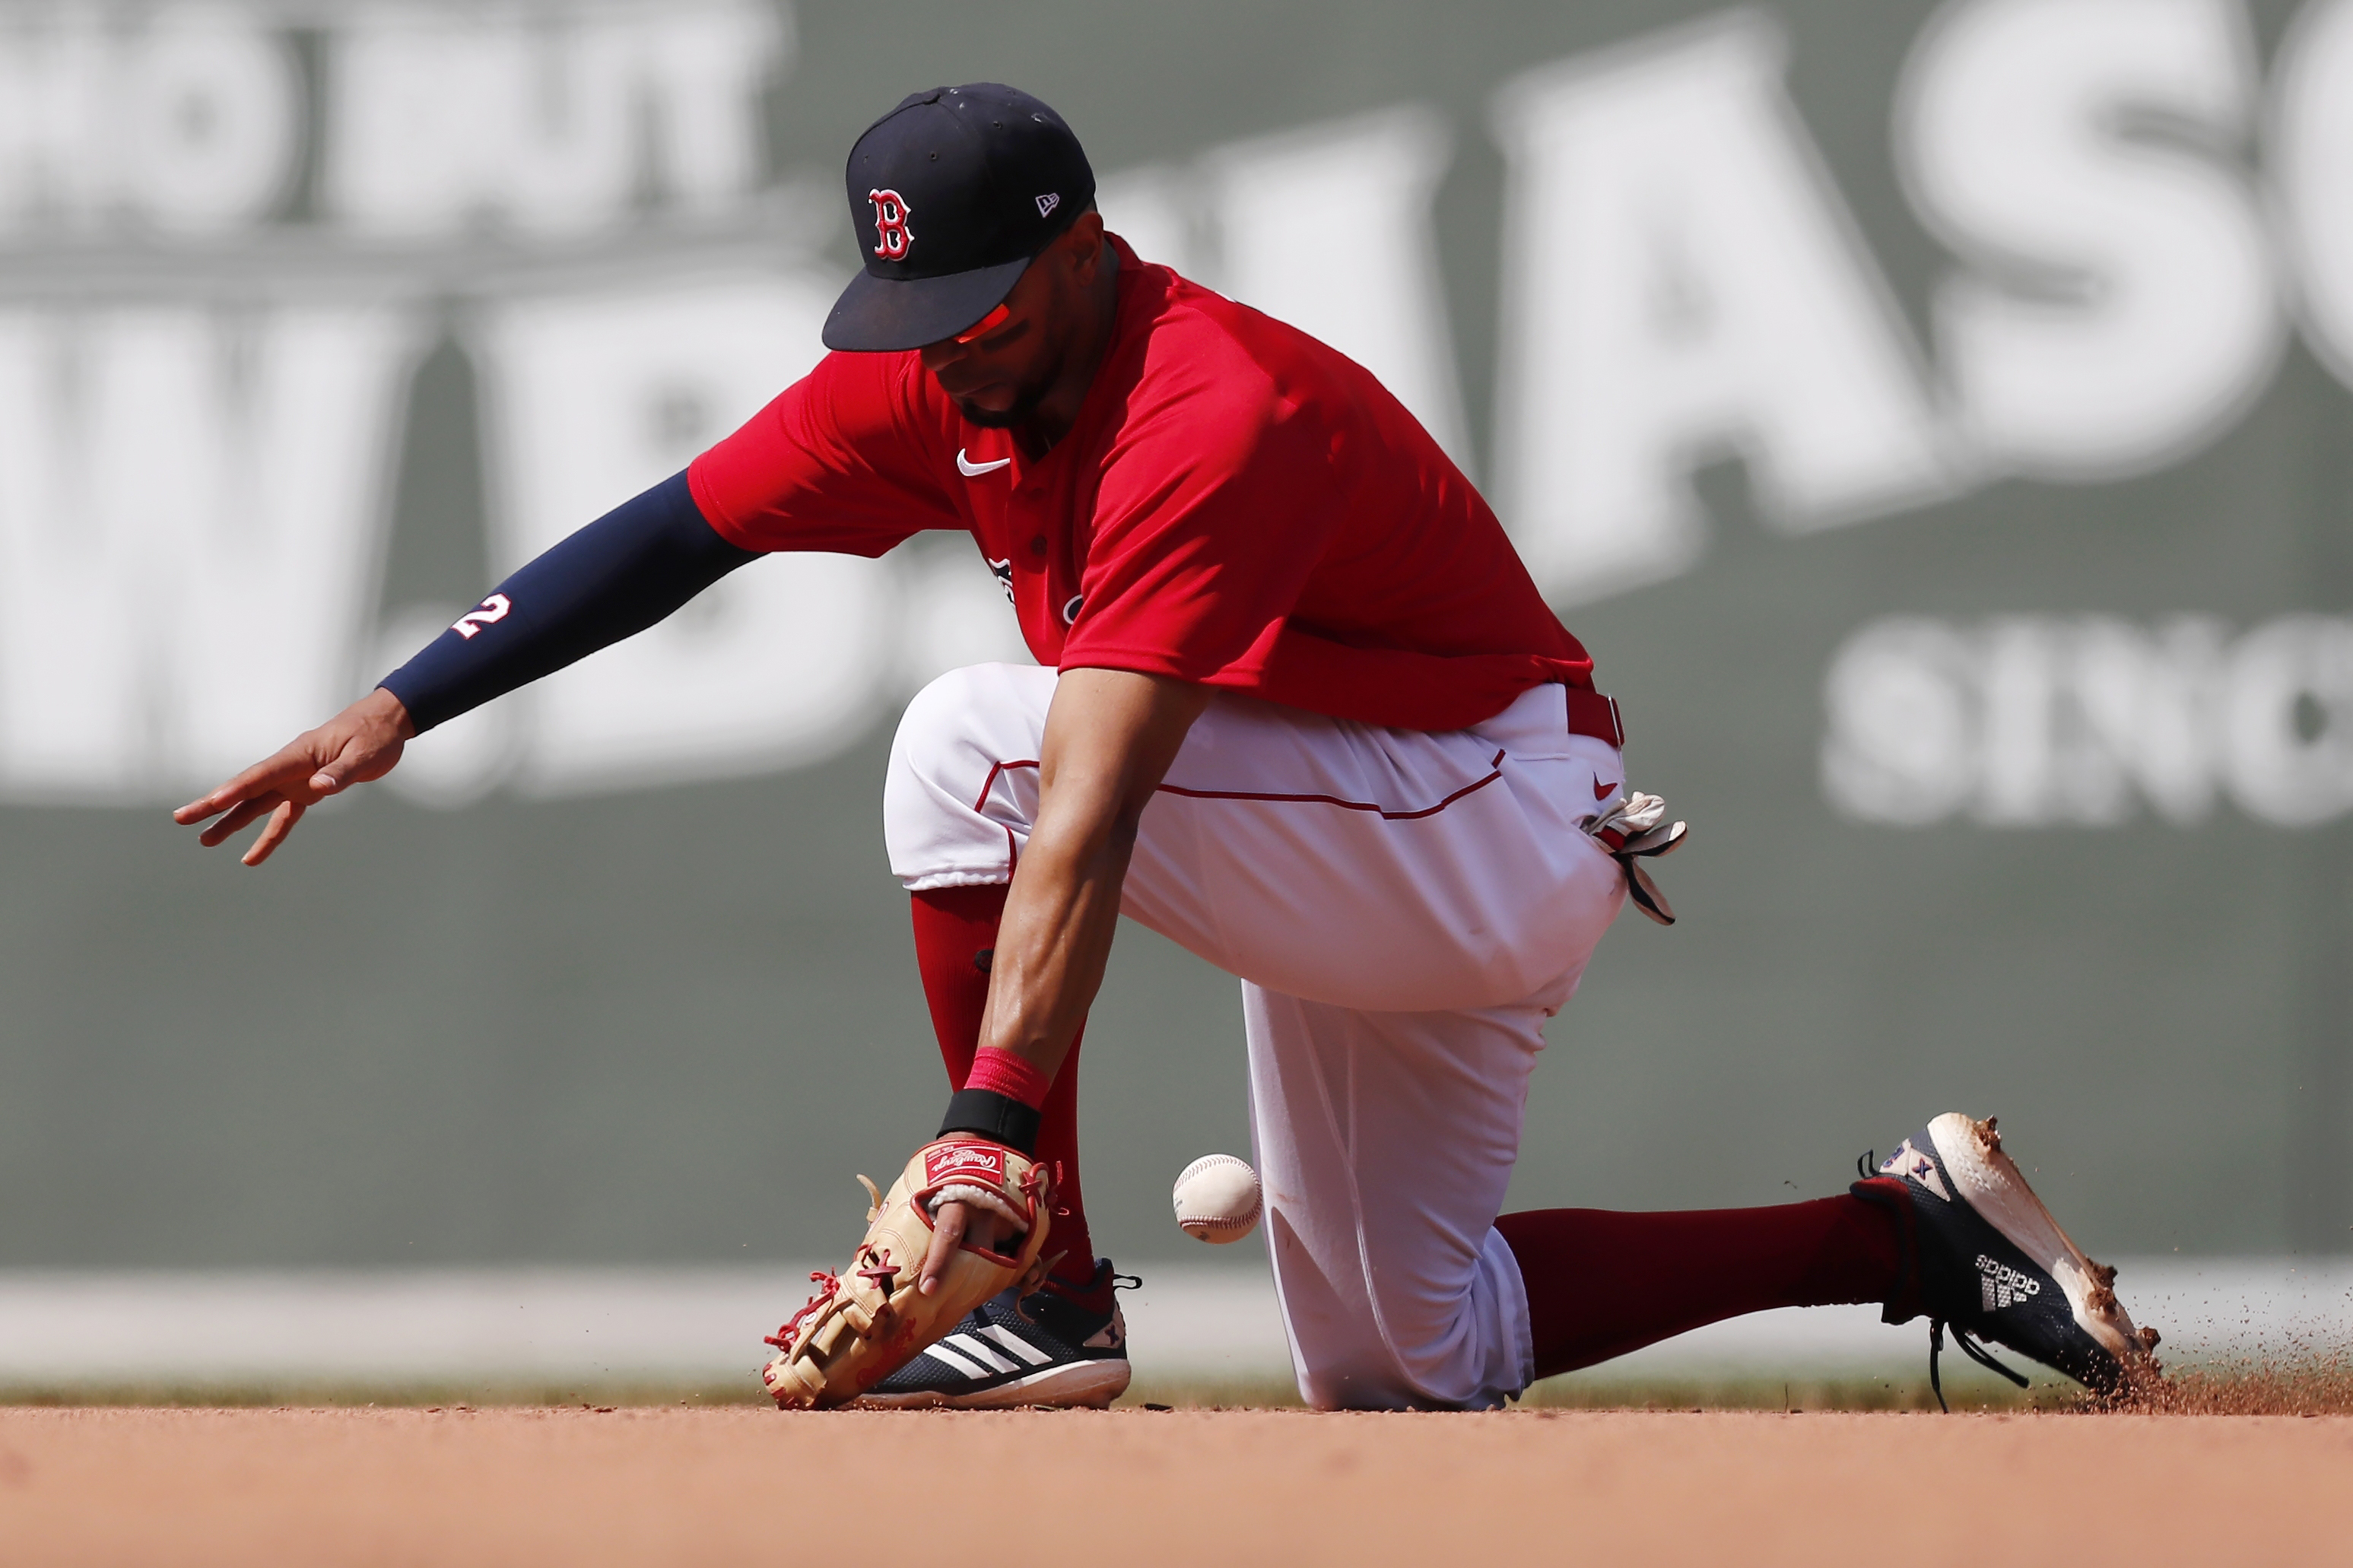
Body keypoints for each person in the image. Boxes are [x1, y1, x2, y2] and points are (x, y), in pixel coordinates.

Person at [176, 84, 2155, 1411]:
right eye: (908, 299)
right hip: (1366, 822)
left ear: (1079, 246)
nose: (940, 336)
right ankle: (1909, 1234)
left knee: (973, 740)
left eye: (971, 294)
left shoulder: (1209, 412)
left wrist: (999, 1130)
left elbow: (1095, 805)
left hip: (1484, 812)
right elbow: (679, 530)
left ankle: (1048, 1291)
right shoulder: (926, 381)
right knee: (1408, 1363)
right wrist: (400, 701)